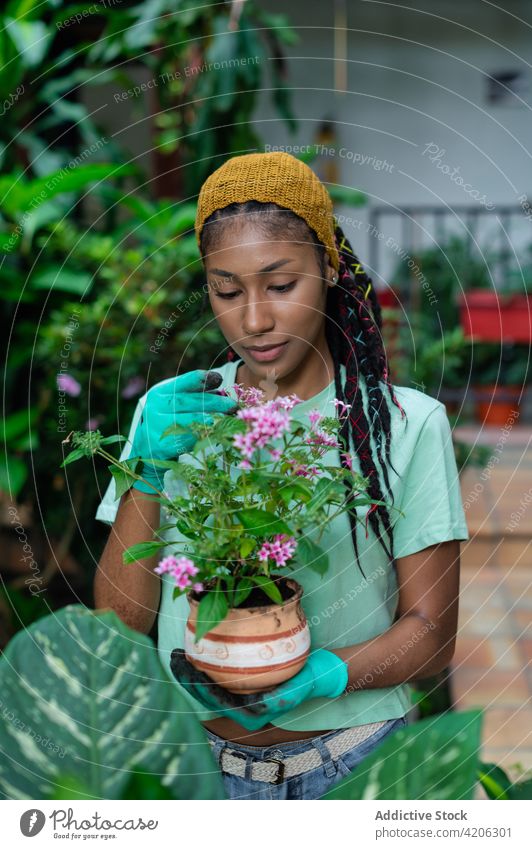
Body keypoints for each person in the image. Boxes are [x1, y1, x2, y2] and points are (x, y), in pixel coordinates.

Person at [94, 151, 469, 800]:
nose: (254, 320)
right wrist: (148, 473)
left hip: (353, 765)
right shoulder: (172, 414)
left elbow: (433, 636)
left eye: (280, 284)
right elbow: (120, 623)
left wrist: (324, 675)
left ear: (328, 266)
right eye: (227, 290)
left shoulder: (408, 425)